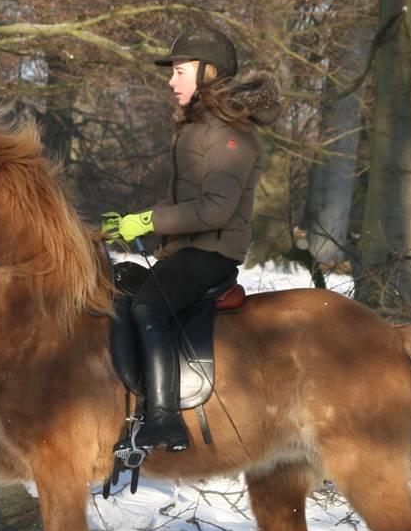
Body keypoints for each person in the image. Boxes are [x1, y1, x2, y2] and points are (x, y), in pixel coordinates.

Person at [102, 26, 280, 453]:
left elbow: (216, 208)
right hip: (186, 251)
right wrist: (126, 224)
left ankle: (163, 420)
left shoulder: (229, 135)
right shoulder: (200, 128)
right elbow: (188, 203)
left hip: (211, 255)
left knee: (149, 305)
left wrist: (145, 221)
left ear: (209, 73)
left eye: (179, 71)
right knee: (115, 281)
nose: (171, 80)